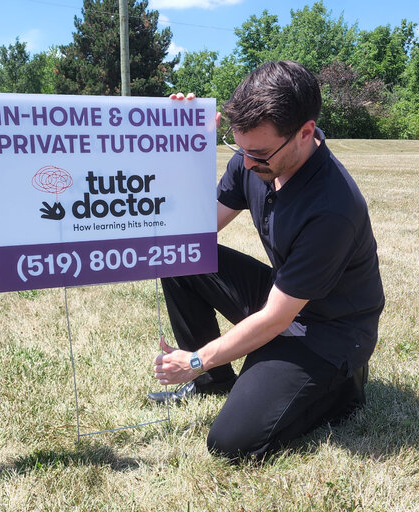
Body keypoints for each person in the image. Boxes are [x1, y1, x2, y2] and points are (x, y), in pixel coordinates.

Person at [148, 61, 385, 460]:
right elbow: (195, 234)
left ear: (305, 133)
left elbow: (277, 318)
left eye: (257, 153)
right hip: (287, 296)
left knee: (231, 443)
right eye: (238, 148)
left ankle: (343, 385)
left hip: (329, 329)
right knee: (181, 259)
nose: (245, 162)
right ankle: (214, 381)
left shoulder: (332, 207)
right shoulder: (253, 159)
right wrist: (182, 148)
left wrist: (194, 359)